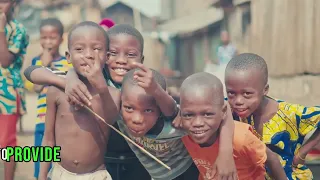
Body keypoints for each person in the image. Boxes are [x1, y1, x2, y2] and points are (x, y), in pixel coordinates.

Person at [24, 24, 237, 179]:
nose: (121, 60)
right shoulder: (91, 80)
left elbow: (218, 108)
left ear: (142, 59)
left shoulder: (146, 87)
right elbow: (31, 71)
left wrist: (226, 153)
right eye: (113, 53)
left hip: (142, 166)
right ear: (105, 55)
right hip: (105, 166)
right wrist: (67, 78)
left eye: (131, 54)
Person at [38, 21, 120, 180]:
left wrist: (101, 88)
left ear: (107, 56)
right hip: (60, 173)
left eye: (96, 49)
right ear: (68, 57)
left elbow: (111, 119)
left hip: (96, 175)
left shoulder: (112, 94)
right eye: (79, 49)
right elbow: (48, 139)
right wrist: (41, 176)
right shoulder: (56, 92)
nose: (88, 55)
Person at [225, 53, 320, 180]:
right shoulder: (228, 109)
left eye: (247, 93)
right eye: (231, 93)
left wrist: (302, 153)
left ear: (265, 89)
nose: (238, 101)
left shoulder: (289, 113)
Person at [29, 18, 72, 179]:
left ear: (61, 39)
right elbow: (36, 88)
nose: (48, 42)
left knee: (61, 163)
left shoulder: (67, 63)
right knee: (41, 161)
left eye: (52, 38)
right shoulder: (36, 62)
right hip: (42, 120)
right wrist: (44, 67)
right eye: (44, 38)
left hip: (61, 121)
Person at [0, 1, 29, 180]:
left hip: (8, 92)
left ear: (14, 3)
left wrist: (0, 29)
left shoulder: (19, 30)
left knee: (6, 143)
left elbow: (5, 61)